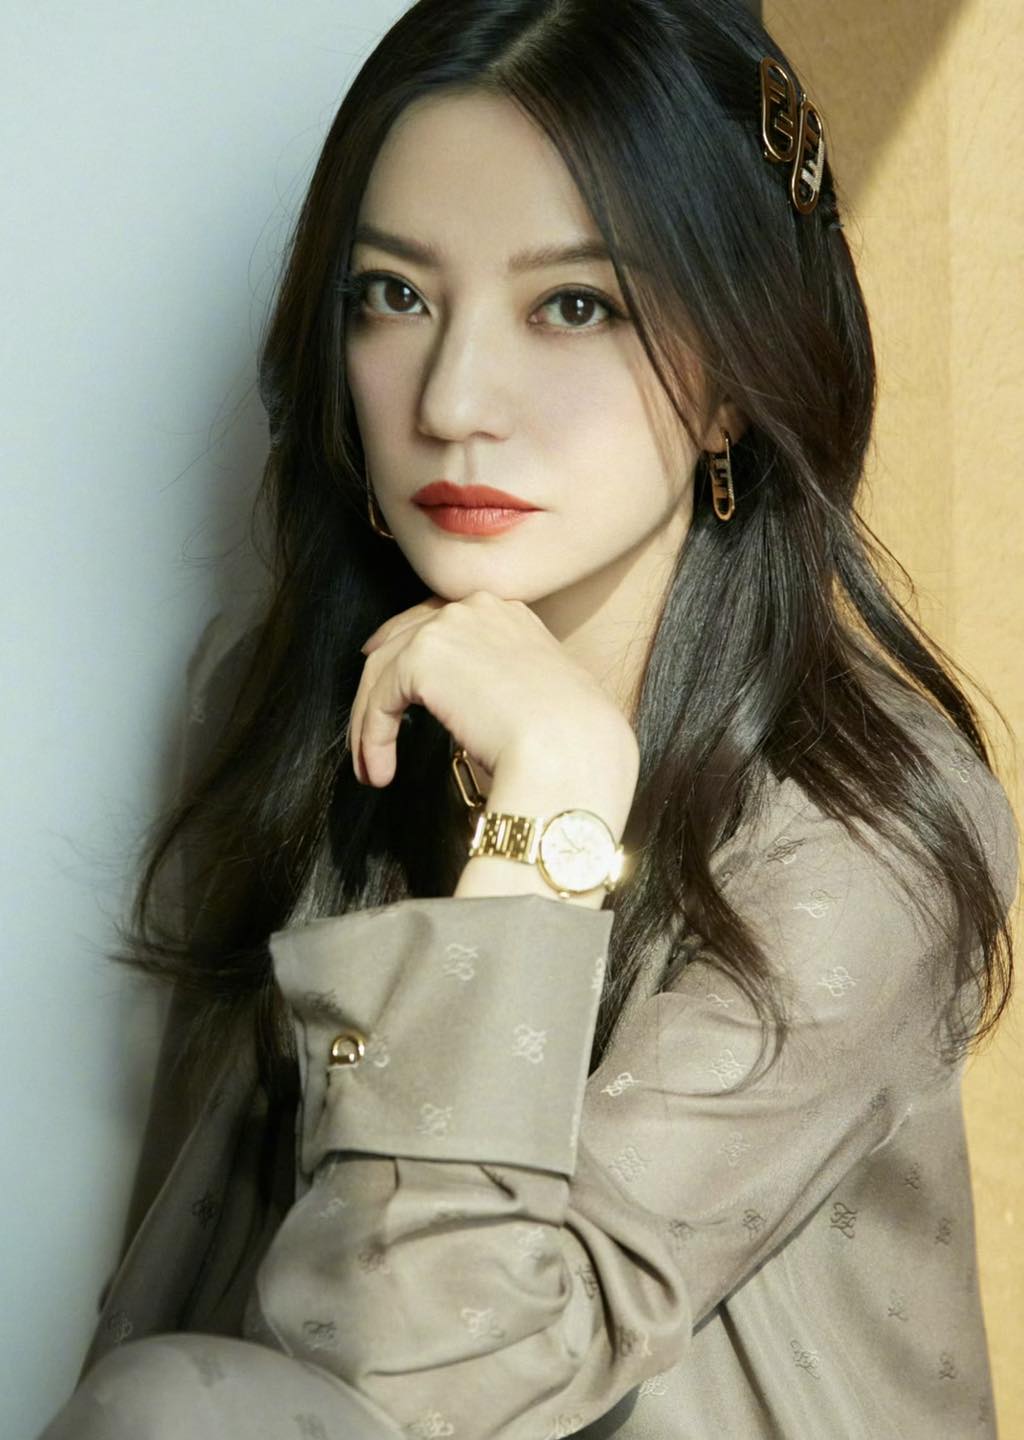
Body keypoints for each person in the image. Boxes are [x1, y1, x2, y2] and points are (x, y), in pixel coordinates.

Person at [37, 1, 1018, 1437]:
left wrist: (553, 806)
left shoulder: (855, 828)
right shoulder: (288, 704)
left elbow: (431, 1381)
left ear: (734, 377)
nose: (454, 401)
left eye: (574, 306)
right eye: (394, 295)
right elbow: (188, 1305)